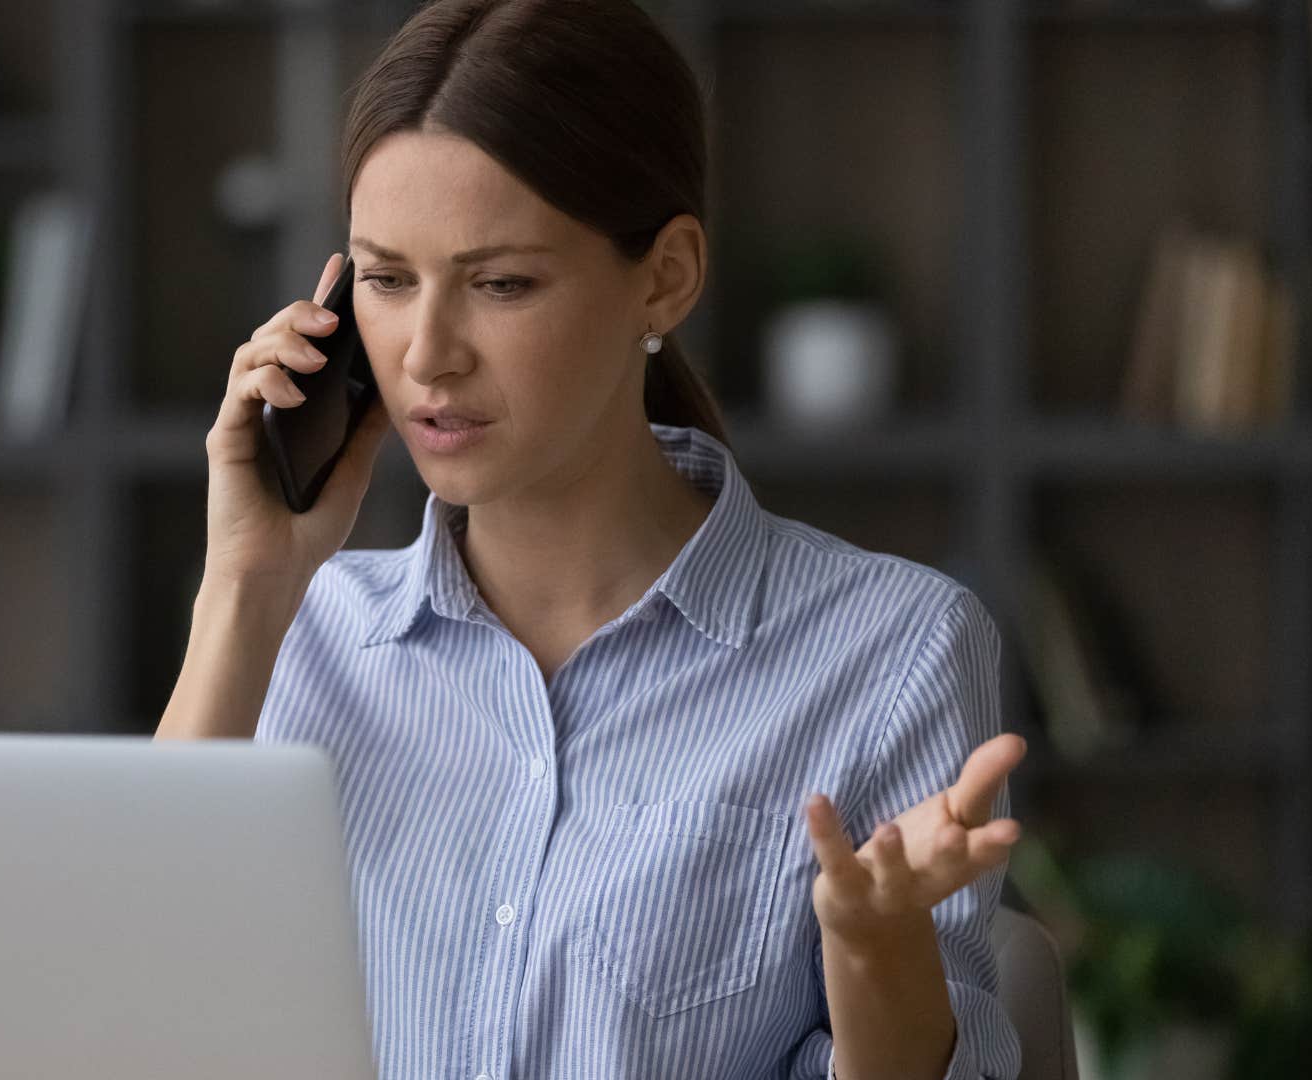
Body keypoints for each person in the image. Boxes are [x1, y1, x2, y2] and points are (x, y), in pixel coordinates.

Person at [156, 1, 1028, 1077]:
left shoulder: (891, 652)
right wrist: (245, 586)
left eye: (500, 283)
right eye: (386, 279)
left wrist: (875, 970)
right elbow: (126, 1008)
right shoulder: (305, 635)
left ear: (663, 278)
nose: (427, 354)